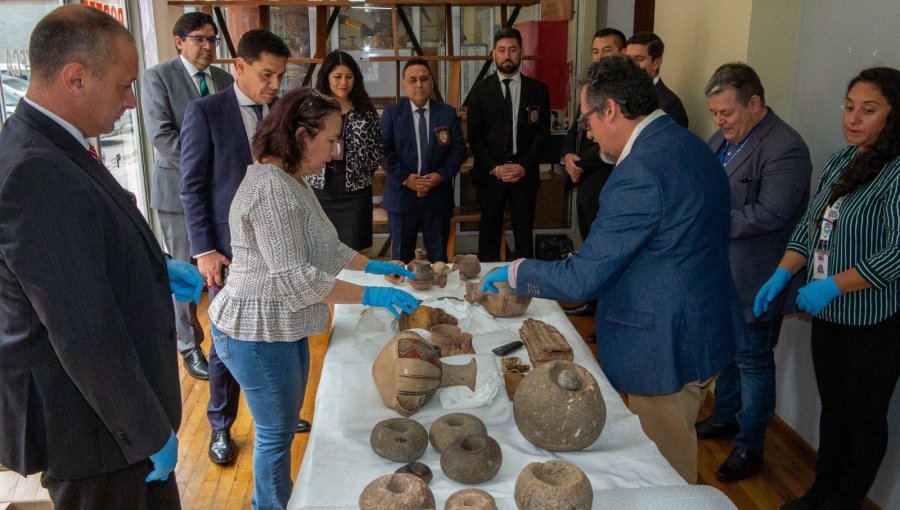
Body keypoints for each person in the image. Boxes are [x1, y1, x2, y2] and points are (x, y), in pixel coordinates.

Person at [481, 56, 740, 483]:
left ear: (612, 109)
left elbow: (583, 278)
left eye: (587, 119)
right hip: (703, 326)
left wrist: (516, 271)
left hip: (665, 345)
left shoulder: (640, 170)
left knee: (664, 478)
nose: (587, 132)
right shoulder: (691, 144)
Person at [0, 5, 204, 507]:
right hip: (98, 429)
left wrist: (154, 265)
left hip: (108, 420)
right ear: (75, 79)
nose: (131, 101)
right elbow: (81, 326)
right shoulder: (36, 169)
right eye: (122, 86)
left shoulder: (52, 143)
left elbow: (84, 241)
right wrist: (144, 429)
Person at [208, 87, 418, 510]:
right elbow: (298, 280)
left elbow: (324, 247)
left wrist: (374, 266)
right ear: (302, 137)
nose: (337, 152)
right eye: (331, 140)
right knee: (274, 434)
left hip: (279, 324)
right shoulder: (272, 188)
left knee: (282, 426)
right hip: (256, 332)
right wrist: (370, 294)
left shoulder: (291, 180)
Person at [756, 67, 900, 510]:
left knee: (864, 418)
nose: (853, 118)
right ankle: (821, 493)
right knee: (834, 409)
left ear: (894, 115)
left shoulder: (897, 172)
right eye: (849, 107)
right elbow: (811, 226)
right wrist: (782, 273)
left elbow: (897, 253)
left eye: (868, 110)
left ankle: (845, 502)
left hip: (874, 320)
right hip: (830, 315)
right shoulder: (842, 160)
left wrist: (834, 285)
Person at [180, 29, 294, 465]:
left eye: (280, 76)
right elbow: (192, 188)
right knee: (226, 340)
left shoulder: (280, 113)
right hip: (227, 251)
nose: (274, 84)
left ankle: (280, 413)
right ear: (240, 66)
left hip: (277, 247)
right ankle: (221, 425)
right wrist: (205, 249)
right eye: (267, 74)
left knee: (281, 330)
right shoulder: (205, 112)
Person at [696, 62, 813, 483]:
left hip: (759, 275)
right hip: (721, 271)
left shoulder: (785, 147)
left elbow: (772, 213)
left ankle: (750, 445)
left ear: (755, 103)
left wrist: (709, 220)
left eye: (726, 112)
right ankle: (725, 416)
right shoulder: (721, 139)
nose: (719, 121)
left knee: (754, 360)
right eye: (714, 113)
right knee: (730, 351)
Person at [142, 12, 234, 380]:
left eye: (212, 39)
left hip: (220, 194)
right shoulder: (158, 78)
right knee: (184, 272)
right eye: (199, 38)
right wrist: (208, 168)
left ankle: (227, 341)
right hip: (178, 193)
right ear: (179, 41)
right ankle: (188, 344)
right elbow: (161, 136)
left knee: (221, 267)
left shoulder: (224, 80)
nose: (207, 46)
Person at [467, 27, 551, 261]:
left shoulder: (538, 90)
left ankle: (524, 278)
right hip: (491, 175)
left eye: (512, 50)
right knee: (489, 234)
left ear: (521, 51)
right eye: (502, 50)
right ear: (493, 53)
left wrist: (523, 166)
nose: (507, 55)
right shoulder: (480, 90)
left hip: (524, 174)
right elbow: (474, 135)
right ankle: (489, 278)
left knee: (524, 233)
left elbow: (543, 134)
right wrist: (495, 167)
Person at [560, 27, 626, 320]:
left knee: (605, 251)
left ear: (622, 54)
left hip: (604, 180)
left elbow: (612, 144)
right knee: (589, 244)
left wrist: (580, 164)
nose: (599, 57)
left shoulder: (623, 97)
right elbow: (576, 131)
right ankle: (594, 301)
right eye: (595, 52)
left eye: (606, 52)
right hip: (584, 181)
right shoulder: (590, 90)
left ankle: (605, 307)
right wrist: (568, 157)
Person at [381, 58, 466, 262]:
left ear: (431, 82)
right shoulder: (392, 114)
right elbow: (383, 151)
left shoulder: (446, 112)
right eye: (413, 80)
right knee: (400, 260)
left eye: (424, 79)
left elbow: (458, 150)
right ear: (404, 84)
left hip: (437, 198)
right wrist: (406, 179)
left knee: (438, 261)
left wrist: (440, 176)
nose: (419, 84)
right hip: (402, 198)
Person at [305, 50, 382, 251]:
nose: (343, 82)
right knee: (321, 251)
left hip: (355, 195)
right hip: (320, 190)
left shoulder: (365, 110)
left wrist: (359, 173)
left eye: (349, 77)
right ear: (327, 77)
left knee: (353, 254)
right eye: (337, 77)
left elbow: (376, 150)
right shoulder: (314, 109)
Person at [624, 31, 689, 128]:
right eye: (628, 59)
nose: (631, 65)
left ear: (656, 63)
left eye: (639, 59)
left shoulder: (669, 105)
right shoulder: (621, 95)